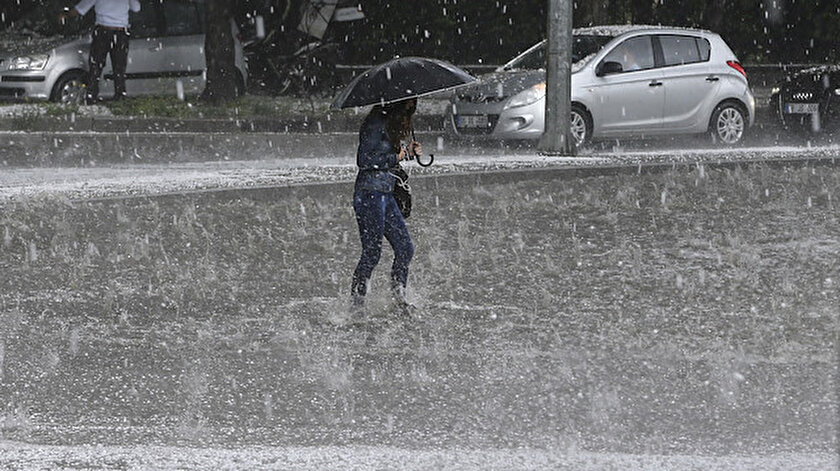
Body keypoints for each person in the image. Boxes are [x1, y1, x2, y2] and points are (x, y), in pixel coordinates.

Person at [350, 98, 422, 315]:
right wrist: (396, 155)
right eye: (407, 108)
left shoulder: (389, 124)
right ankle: (356, 305)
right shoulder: (375, 123)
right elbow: (364, 160)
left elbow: (387, 159)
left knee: (405, 248)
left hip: (385, 193)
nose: (408, 114)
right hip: (369, 194)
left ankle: (399, 299)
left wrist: (408, 153)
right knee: (372, 253)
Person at [59, 0, 141, 104]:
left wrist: (67, 14)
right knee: (119, 67)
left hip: (103, 31)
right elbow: (137, 8)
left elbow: (82, 8)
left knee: (96, 66)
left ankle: (92, 96)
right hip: (121, 33)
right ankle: (120, 96)